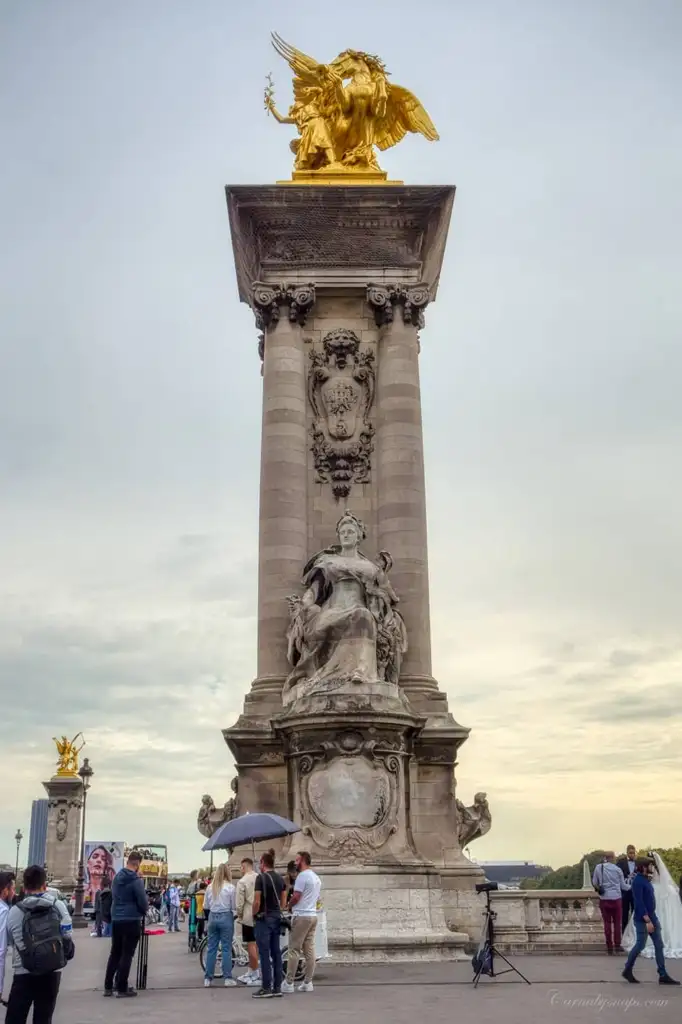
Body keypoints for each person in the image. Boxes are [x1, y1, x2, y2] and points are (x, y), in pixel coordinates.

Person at [4, 864, 74, 1024]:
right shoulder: (58, 906)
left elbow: (10, 941)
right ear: (45, 885)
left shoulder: (15, 911)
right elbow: (67, 935)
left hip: (23, 970)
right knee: (43, 1018)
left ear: (25, 886)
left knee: (15, 1018)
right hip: (52, 969)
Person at [623, 857, 680, 984]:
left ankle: (662, 973)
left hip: (652, 916)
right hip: (643, 918)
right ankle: (627, 969)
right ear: (643, 867)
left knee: (659, 944)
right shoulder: (638, 881)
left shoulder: (645, 879)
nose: (651, 868)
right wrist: (647, 921)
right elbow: (639, 903)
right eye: (649, 866)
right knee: (640, 945)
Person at [103, 850, 148, 998]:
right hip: (131, 919)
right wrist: (143, 910)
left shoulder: (116, 878)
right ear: (137, 864)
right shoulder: (136, 880)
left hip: (117, 918)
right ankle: (122, 987)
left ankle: (108, 986)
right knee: (127, 954)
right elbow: (142, 901)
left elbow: (113, 896)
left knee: (115, 952)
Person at [281, 851, 321, 994]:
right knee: (309, 950)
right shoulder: (316, 878)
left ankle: (289, 982)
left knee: (294, 949)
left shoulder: (302, 877)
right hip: (312, 915)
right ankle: (308, 982)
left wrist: (289, 905)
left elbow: (296, 896)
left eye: (297, 860)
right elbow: (317, 899)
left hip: (301, 915)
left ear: (303, 860)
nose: (295, 863)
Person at [252, 850, 287, 999]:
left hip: (264, 919)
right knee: (276, 952)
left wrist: (254, 913)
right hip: (276, 917)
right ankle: (277, 986)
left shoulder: (261, 878)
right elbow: (284, 900)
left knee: (264, 953)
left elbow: (257, 901)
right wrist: (279, 909)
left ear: (263, 863)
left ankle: (266, 986)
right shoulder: (280, 878)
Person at [203, 863, 236, 988]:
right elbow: (233, 906)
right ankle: (227, 977)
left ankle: (208, 978)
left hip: (213, 916)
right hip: (226, 916)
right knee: (226, 948)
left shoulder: (210, 887)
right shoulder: (230, 888)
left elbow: (205, 906)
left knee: (212, 948)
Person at [592, 852, 627, 954]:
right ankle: (617, 945)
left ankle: (609, 947)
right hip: (616, 898)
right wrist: (632, 887)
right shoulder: (618, 870)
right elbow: (623, 886)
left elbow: (594, 883)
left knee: (607, 923)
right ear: (613, 858)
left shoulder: (599, 867)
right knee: (617, 924)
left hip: (604, 899)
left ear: (605, 858)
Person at [235, 858, 259, 986]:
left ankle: (254, 972)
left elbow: (239, 903)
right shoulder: (259, 877)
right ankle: (252, 969)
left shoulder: (242, 881)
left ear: (244, 867)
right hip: (260, 914)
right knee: (257, 945)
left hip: (248, 914)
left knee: (250, 945)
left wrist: (239, 915)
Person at [0, 871, 16, 1008]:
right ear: (5, 890)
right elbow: (0, 950)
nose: (14, 893)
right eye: (13, 889)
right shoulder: (3, 910)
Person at [617, 845, 638, 933]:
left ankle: (635, 932)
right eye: (630, 853)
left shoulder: (639, 862)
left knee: (635, 913)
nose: (632, 855)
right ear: (627, 853)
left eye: (633, 853)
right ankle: (624, 933)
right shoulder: (620, 862)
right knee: (624, 914)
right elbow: (617, 875)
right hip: (624, 892)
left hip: (636, 891)